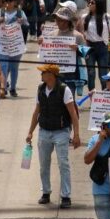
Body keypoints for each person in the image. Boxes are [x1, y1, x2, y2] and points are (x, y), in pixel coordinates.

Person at [26, 63, 83, 208]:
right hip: (44, 131)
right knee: (44, 164)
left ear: (51, 75)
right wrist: (30, 131)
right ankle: (46, 192)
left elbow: (73, 114)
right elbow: (36, 112)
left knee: (63, 164)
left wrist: (76, 135)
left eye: (43, 72)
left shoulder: (64, 90)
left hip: (61, 132)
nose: (41, 75)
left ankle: (66, 196)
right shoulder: (40, 89)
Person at [83, 0, 110, 92]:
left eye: (92, 3)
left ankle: (104, 94)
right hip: (90, 46)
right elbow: (80, 29)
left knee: (103, 74)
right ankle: (92, 94)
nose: (90, 4)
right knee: (91, 73)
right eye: (89, 3)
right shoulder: (85, 17)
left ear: (98, 5)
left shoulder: (106, 16)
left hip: (102, 46)